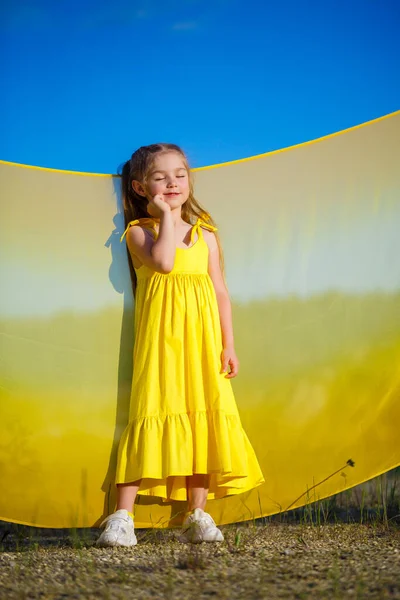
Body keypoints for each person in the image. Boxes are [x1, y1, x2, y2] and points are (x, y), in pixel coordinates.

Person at [97, 143, 264, 547]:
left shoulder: (206, 234)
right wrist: (167, 215)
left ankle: (196, 513)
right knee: (151, 411)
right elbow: (166, 262)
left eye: (180, 174)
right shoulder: (139, 232)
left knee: (204, 416)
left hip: (203, 342)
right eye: (160, 177)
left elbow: (220, 292)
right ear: (140, 187)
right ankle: (122, 517)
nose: (173, 182)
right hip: (161, 344)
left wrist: (229, 344)